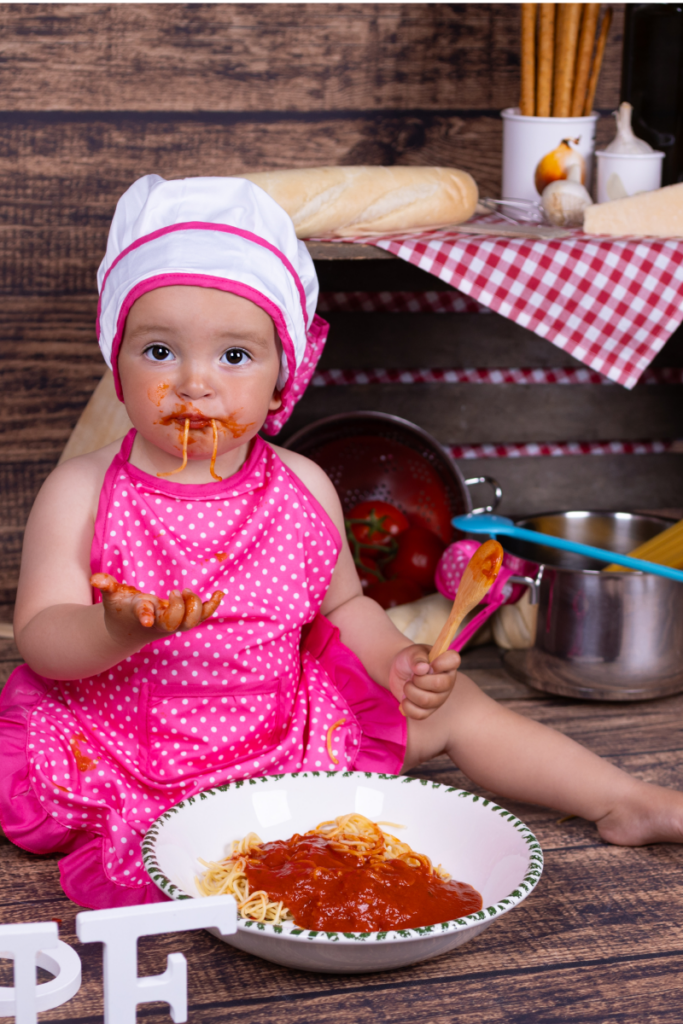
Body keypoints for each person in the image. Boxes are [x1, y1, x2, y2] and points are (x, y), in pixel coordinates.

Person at [2, 175, 682, 910]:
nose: (194, 384)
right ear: (117, 362)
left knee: (457, 710)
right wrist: (109, 628)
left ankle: (622, 798)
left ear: (279, 383)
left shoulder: (302, 486)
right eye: (160, 350)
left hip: (281, 739)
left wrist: (396, 660)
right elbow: (40, 638)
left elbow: (348, 606)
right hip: (118, 750)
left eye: (234, 357)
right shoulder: (83, 489)